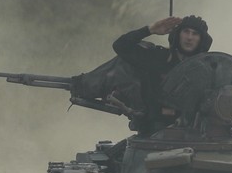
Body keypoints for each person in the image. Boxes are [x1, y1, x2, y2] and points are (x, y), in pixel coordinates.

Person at [73, 14, 213, 133]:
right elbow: (121, 46)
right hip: (154, 133)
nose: (189, 37)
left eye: (195, 34)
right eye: (186, 32)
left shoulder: (206, 69)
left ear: (201, 39)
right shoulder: (159, 58)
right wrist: (149, 30)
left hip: (194, 134)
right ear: (178, 35)